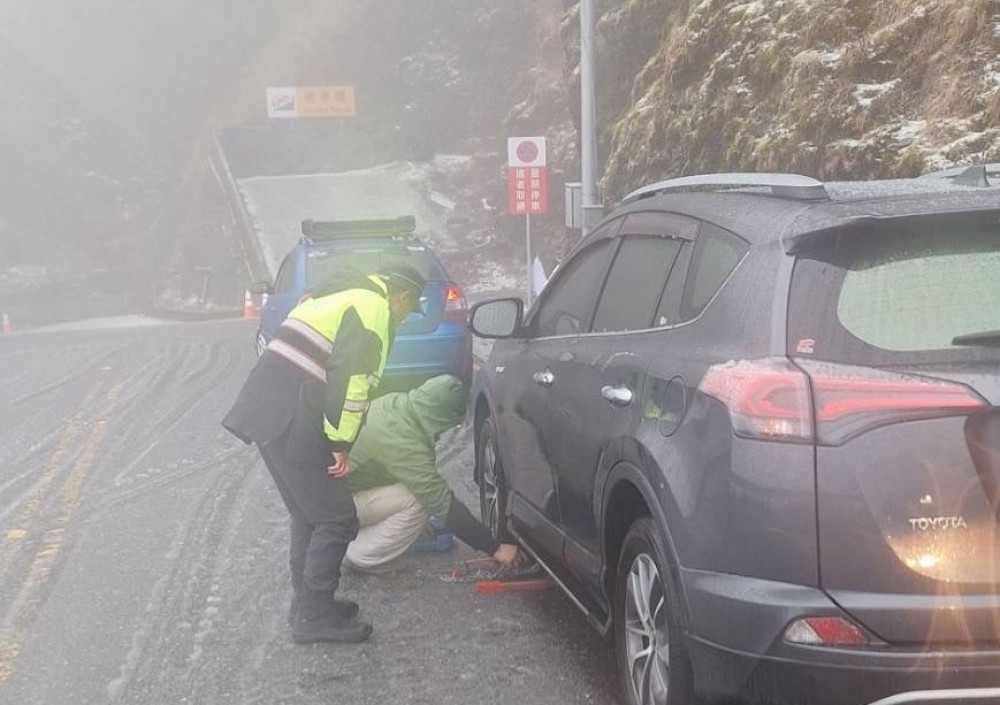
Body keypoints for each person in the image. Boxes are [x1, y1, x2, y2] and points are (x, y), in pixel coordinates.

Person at [222, 265, 425, 644]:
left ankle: (308, 604)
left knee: (308, 514)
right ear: (401, 296)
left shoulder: (337, 293)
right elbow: (353, 381)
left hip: (268, 409)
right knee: (337, 518)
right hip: (293, 415)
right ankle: (314, 616)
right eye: (408, 309)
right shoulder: (372, 306)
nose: (403, 316)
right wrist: (340, 443)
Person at [343, 374, 523, 572]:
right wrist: (495, 548)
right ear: (442, 418)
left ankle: (348, 534)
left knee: (415, 492)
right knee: (420, 501)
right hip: (333, 504)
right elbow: (441, 501)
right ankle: (356, 554)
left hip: (325, 493)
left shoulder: (397, 405)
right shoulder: (403, 440)